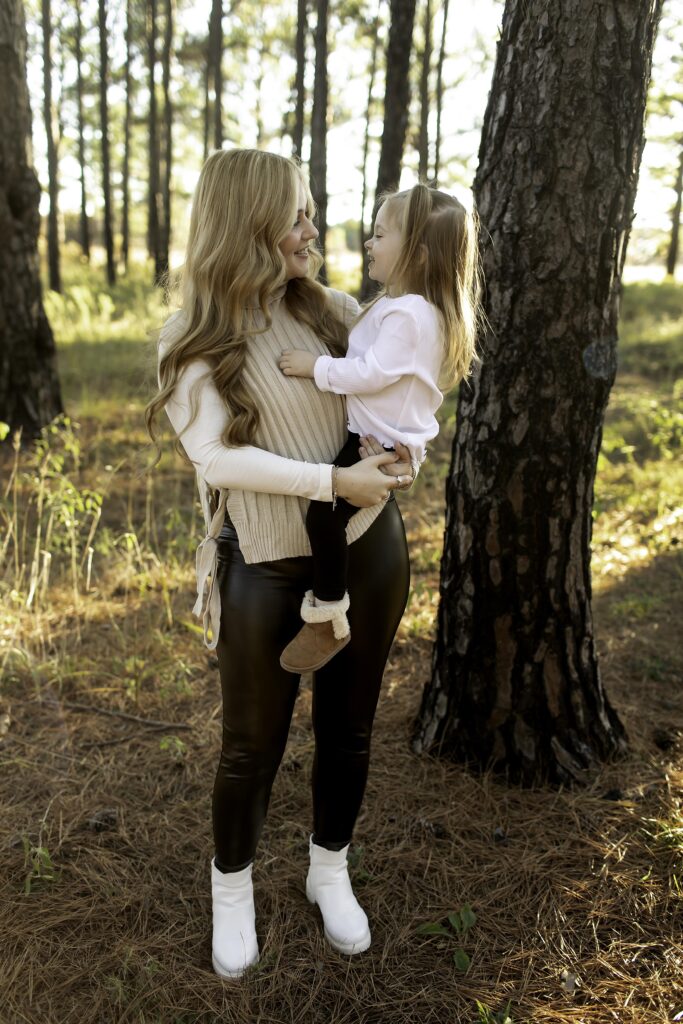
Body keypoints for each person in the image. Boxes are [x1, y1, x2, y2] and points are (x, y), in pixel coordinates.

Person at [145, 148, 417, 979]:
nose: (311, 230)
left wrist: (395, 456)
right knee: (248, 746)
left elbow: (396, 403)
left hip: (366, 552)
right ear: (248, 225)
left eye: (309, 212)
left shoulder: (338, 311)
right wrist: (329, 479)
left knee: (350, 729)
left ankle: (327, 870)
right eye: (295, 215)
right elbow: (217, 461)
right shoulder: (193, 338)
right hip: (264, 566)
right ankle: (233, 892)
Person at [278, 184, 481, 674]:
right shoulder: (410, 307)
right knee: (331, 517)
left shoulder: (409, 313)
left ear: (418, 252)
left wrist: (315, 367)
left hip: (379, 444)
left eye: (380, 235)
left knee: (324, 517)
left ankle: (327, 612)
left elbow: (369, 373)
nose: (370, 244)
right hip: (384, 439)